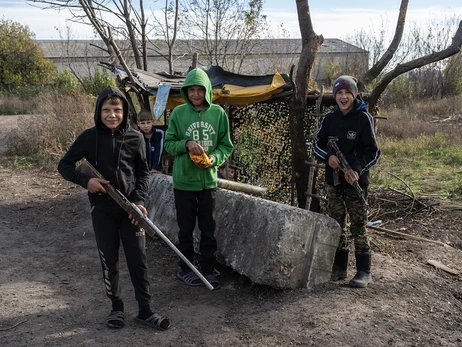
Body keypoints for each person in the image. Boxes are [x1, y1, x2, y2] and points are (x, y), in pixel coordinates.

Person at [57, 86, 170, 330]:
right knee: (109, 260)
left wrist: (139, 202)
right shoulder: (88, 138)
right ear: (98, 112)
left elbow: (142, 174)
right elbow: (64, 165)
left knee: (138, 260)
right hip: (102, 212)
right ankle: (116, 308)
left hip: (131, 213)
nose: (112, 115)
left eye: (117, 110)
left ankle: (145, 311)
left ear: (124, 111)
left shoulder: (135, 137)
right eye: (106, 110)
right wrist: (86, 181)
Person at [164, 68, 234, 290]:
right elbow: (169, 144)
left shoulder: (219, 114)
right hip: (184, 182)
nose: (195, 94)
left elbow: (226, 146)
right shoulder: (177, 113)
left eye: (199, 90)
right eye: (191, 90)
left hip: (208, 182)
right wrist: (186, 144)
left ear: (207, 90)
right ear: (185, 91)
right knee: (185, 229)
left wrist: (213, 158)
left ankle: (207, 269)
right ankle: (186, 269)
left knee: (208, 228)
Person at [312, 75, 380, 288]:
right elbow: (316, 145)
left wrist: (357, 170)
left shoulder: (363, 118)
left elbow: (373, 152)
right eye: (339, 93)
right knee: (336, 223)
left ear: (354, 94)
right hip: (334, 183)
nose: (343, 97)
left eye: (347, 93)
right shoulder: (329, 119)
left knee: (358, 226)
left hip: (355, 183)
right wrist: (328, 158)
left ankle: (363, 271)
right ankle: (339, 267)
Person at [137, 109, 165, 174]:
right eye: (142, 123)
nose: (146, 126)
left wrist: (154, 168)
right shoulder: (137, 135)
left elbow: (159, 151)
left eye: (148, 122)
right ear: (138, 124)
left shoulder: (159, 133)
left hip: (157, 170)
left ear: (152, 122)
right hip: (142, 171)